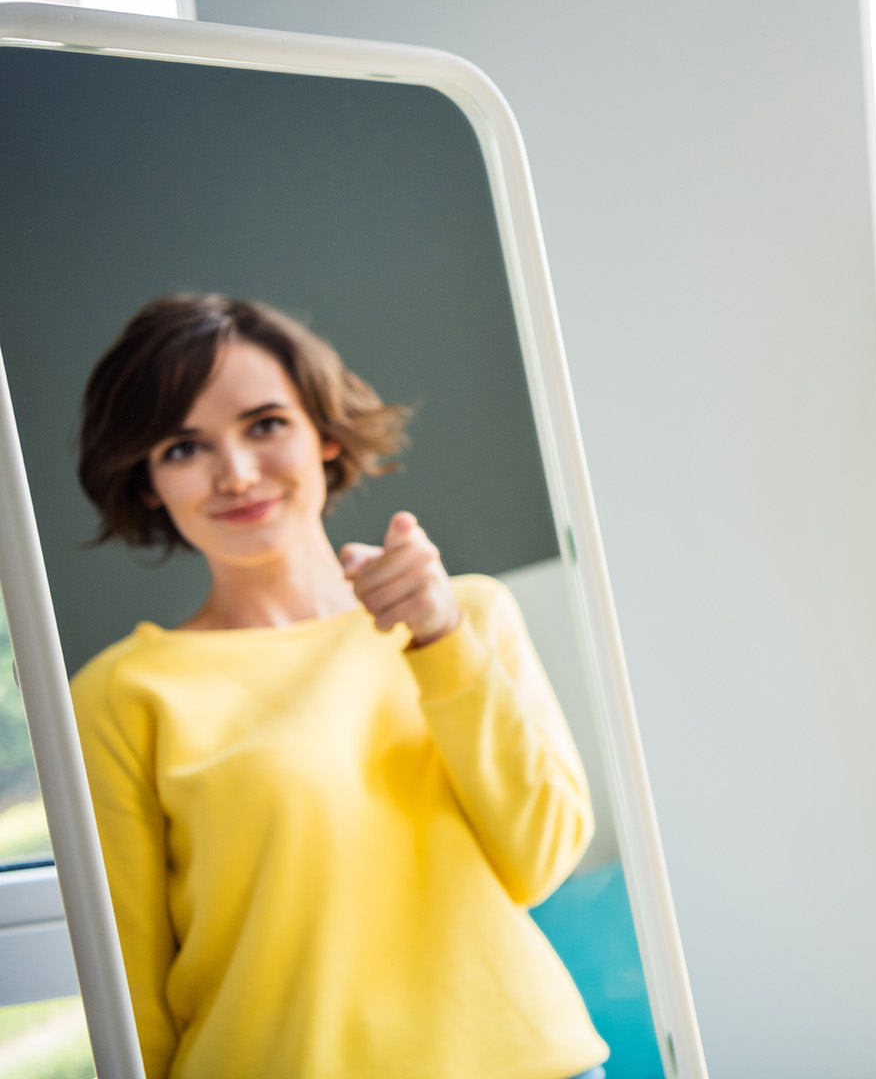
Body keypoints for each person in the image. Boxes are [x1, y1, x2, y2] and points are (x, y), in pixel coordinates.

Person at [68, 294, 610, 1079]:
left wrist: (441, 641)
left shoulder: (469, 613)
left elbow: (543, 856)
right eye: (185, 447)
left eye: (265, 424)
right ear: (149, 483)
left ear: (323, 433)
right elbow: (131, 995)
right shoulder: (123, 695)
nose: (238, 474)